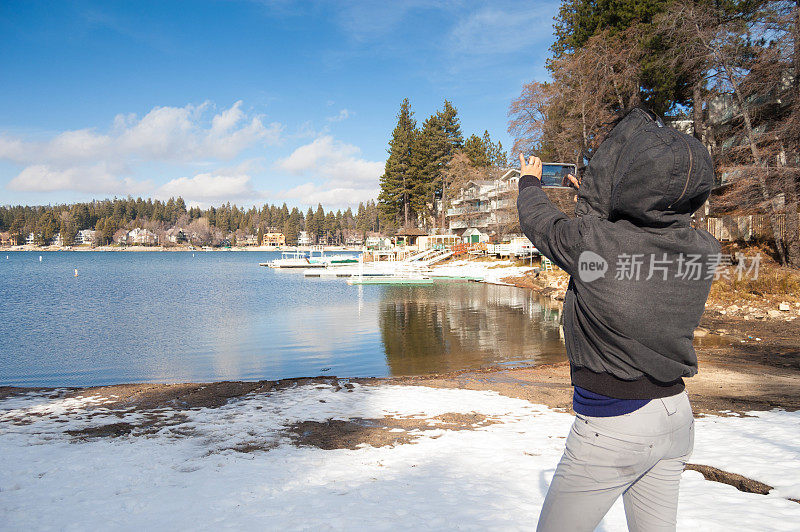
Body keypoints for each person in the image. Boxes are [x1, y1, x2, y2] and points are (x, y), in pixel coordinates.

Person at [517, 107, 721, 532]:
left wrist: (530, 182)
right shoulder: (703, 250)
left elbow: (543, 225)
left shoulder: (597, 249)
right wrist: (593, 205)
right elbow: (619, 254)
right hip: (675, 416)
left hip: (613, 425)